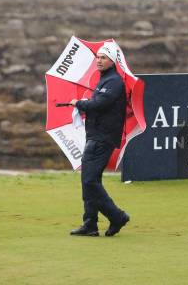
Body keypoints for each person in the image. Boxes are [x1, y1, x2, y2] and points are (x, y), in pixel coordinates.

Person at [69, 42, 130, 237]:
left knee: (89, 181)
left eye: (103, 58)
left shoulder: (114, 81)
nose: (99, 60)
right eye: (98, 57)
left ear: (112, 61)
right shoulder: (105, 80)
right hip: (96, 136)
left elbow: (101, 103)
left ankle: (116, 216)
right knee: (90, 179)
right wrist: (85, 104)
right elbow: (98, 103)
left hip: (103, 138)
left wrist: (80, 103)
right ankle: (90, 224)